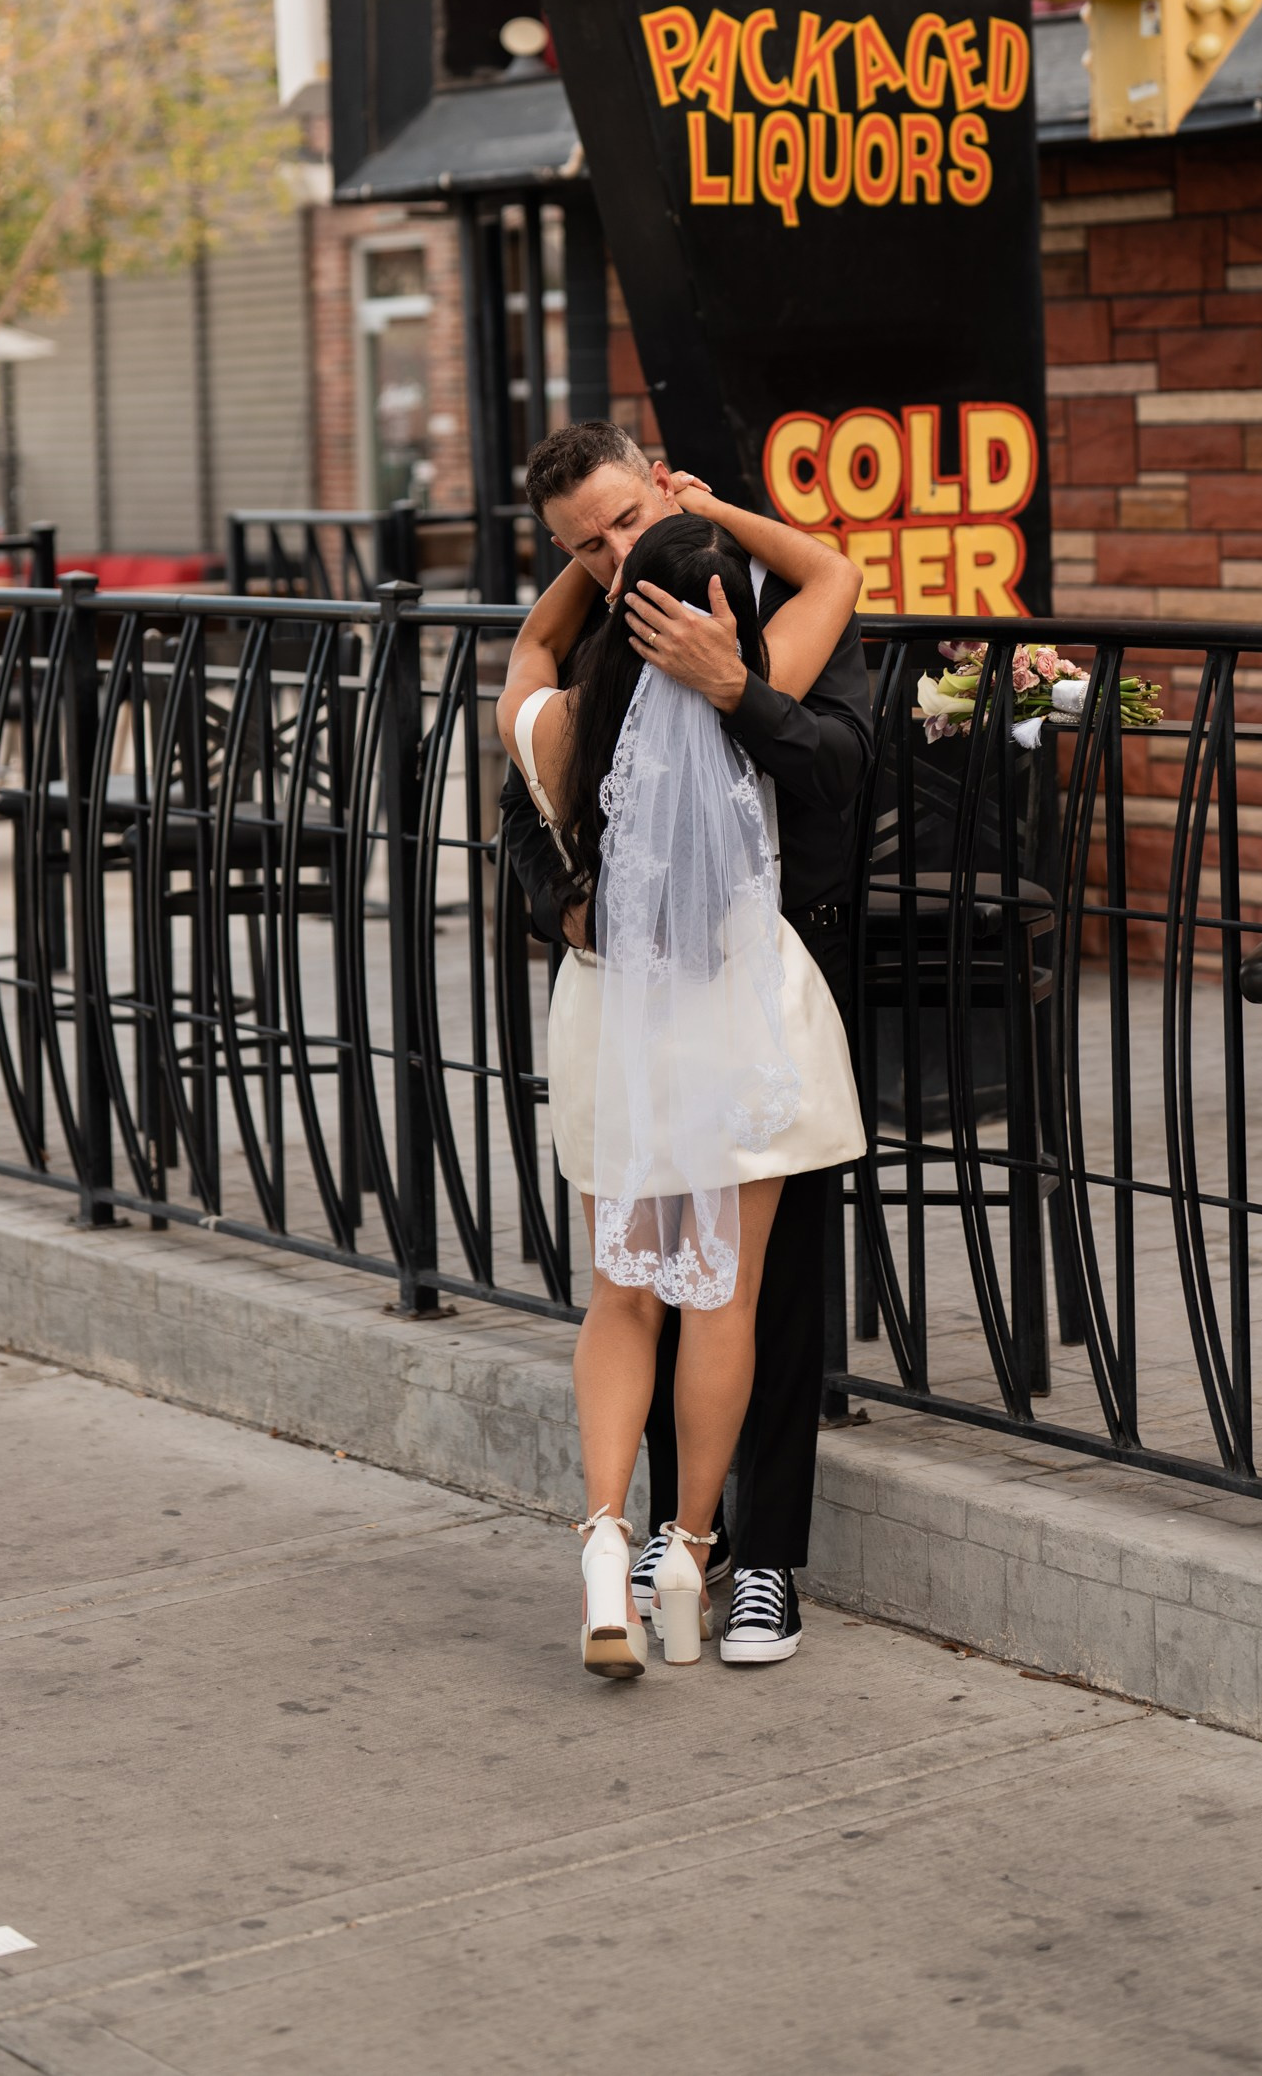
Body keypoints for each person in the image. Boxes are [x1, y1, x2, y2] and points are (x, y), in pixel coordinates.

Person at [502, 423, 872, 1668]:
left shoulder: (557, 712)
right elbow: (837, 573)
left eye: (619, 531)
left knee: (623, 1294)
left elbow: (530, 656)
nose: (607, 560)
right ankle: (696, 1548)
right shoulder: (757, 646)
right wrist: (658, 528)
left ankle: (608, 1536)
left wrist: (599, 563)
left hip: (615, 1017)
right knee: (723, 1298)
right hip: (732, 1010)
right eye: (579, 545)